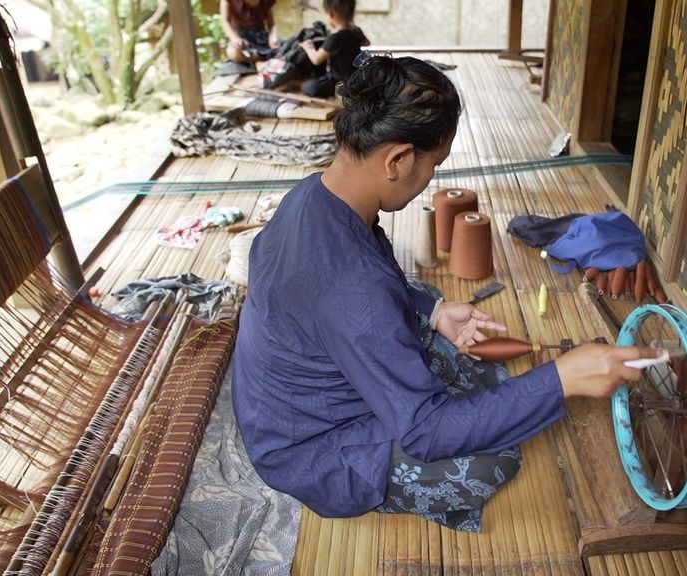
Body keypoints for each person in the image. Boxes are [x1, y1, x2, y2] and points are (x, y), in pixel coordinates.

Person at [232, 55, 660, 532]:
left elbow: (359, 288)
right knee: (490, 461)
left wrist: (431, 311)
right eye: (434, 164)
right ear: (396, 160)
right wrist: (560, 379)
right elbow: (425, 431)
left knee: (428, 302)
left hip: (278, 398)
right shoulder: (354, 288)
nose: (431, 178)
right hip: (308, 447)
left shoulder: (313, 195)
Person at [298, 0, 369, 97]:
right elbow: (367, 43)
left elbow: (316, 60)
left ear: (331, 13)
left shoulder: (334, 38)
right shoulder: (356, 31)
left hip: (338, 83)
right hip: (357, 79)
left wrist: (308, 47)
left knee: (307, 86)